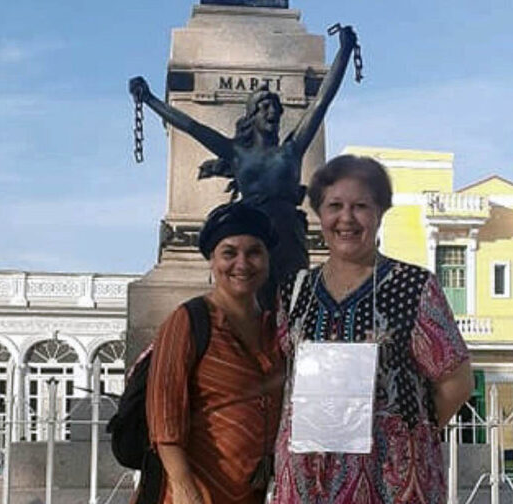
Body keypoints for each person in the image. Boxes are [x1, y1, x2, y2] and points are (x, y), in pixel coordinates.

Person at [269, 155, 474, 504]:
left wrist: (405, 434)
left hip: (389, 498)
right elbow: (281, 375)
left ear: (380, 213)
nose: (347, 218)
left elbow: (455, 380)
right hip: (309, 494)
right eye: (334, 206)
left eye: (360, 206)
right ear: (319, 214)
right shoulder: (295, 290)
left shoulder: (413, 287)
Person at [129, 26, 358, 304]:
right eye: (265, 107)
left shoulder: (292, 149)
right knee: (254, 304)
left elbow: (322, 101)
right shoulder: (237, 154)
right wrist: (150, 99)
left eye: (275, 107)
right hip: (253, 234)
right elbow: (191, 126)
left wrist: (344, 51)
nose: (272, 112)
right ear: (252, 116)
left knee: (292, 302)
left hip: (288, 234)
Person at [146, 202, 284, 504]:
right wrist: (181, 484)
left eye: (254, 252)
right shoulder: (188, 321)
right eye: (229, 252)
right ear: (212, 260)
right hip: (200, 502)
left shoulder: (278, 328)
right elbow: (164, 408)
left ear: (267, 260)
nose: (242, 263)